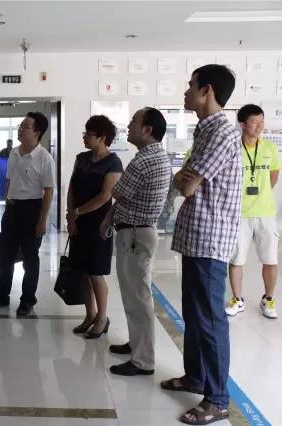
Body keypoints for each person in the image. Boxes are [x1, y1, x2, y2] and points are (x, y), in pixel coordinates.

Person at [162, 64, 241, 425]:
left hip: (210, 239)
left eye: (190, 85)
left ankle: (218, 399)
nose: (186, 91)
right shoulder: (206, 130)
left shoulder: (221, 133)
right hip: (196, 237)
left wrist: (183, 177)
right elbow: (183, 179)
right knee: (193, 314)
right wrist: (183, 177)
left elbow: (186, 184)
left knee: (209, 320)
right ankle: (196, 377)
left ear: (207, 90)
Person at [99, 108, 171, 376]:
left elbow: (117, 191)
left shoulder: (144, 160)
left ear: (147, 130)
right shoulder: (155, 156)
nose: (128, 126)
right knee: (134, 294)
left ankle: (143, 361)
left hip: (136, 235)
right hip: (138, 232)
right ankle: (137, 344)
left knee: (138, 297)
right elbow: (122, 194)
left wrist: (109, 216)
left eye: (133, 122)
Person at [0, 112, 55, 316]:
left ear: (37, 132)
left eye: (26, 127)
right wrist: (7, 207)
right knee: (5, 255)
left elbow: (49, 191)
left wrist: (42, 221)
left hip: (32, 211)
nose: (20, 129)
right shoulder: (13, 153)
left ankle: (27, 300)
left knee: (30, 259)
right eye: (21, 125)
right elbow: (10, 181)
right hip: (12, 210)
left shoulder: (44, 158)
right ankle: (0, 296)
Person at [66, 115, 123, 338]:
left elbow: (105, 196)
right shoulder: (81, 159)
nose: (85, 137)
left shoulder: (113, 163)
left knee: (96, 272)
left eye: (89, 134)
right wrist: (71, 216)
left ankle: (102, 318)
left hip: (99, 223)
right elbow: (72, 188)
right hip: (78, 220)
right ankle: (89, 315)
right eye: (85, 133)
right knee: (83, 272)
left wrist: (78, 212)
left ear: (102, 137)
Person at [225, 104, 281, 319]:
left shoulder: (269, 148)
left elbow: (273, 176)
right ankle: (237, 299)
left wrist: (261, 197)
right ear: (242, 125)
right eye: (255, 122)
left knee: (270, 259)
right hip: (238, 214)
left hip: (265, 213)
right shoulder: (233, 149)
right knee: (237, 259)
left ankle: (268, 299)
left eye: (262, 121)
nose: (260, 126)